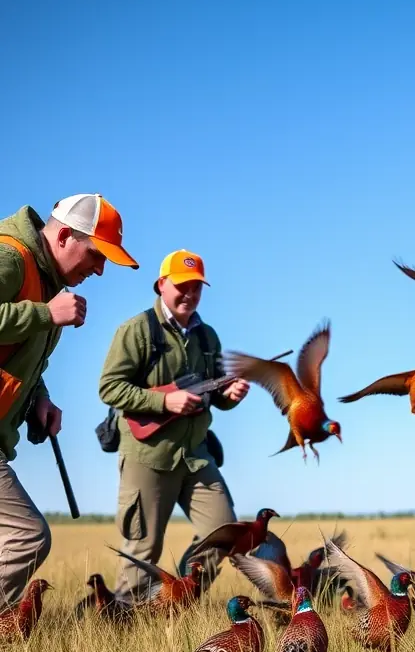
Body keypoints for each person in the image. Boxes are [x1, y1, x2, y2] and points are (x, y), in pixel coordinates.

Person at [0, 193, 137, 607]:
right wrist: (45, 314)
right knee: (27, 537)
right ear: (62, 236)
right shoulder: (10, 259)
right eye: (96, 256)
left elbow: (23, 360)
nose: (99, 270)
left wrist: (38, 399)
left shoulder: (48, 283)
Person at [98, 249, 249, 598]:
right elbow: (109, 387)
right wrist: (164, 401)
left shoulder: (207, 337)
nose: (190, 294)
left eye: (197, 287)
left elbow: (218, 396)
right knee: (142, 550)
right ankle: (125, 628)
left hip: (194, 454)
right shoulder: (137, 330)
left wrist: (232, 394)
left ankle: (175, 601)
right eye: (182, 285)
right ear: (162, 284)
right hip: (147, 455)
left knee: (224, 530)